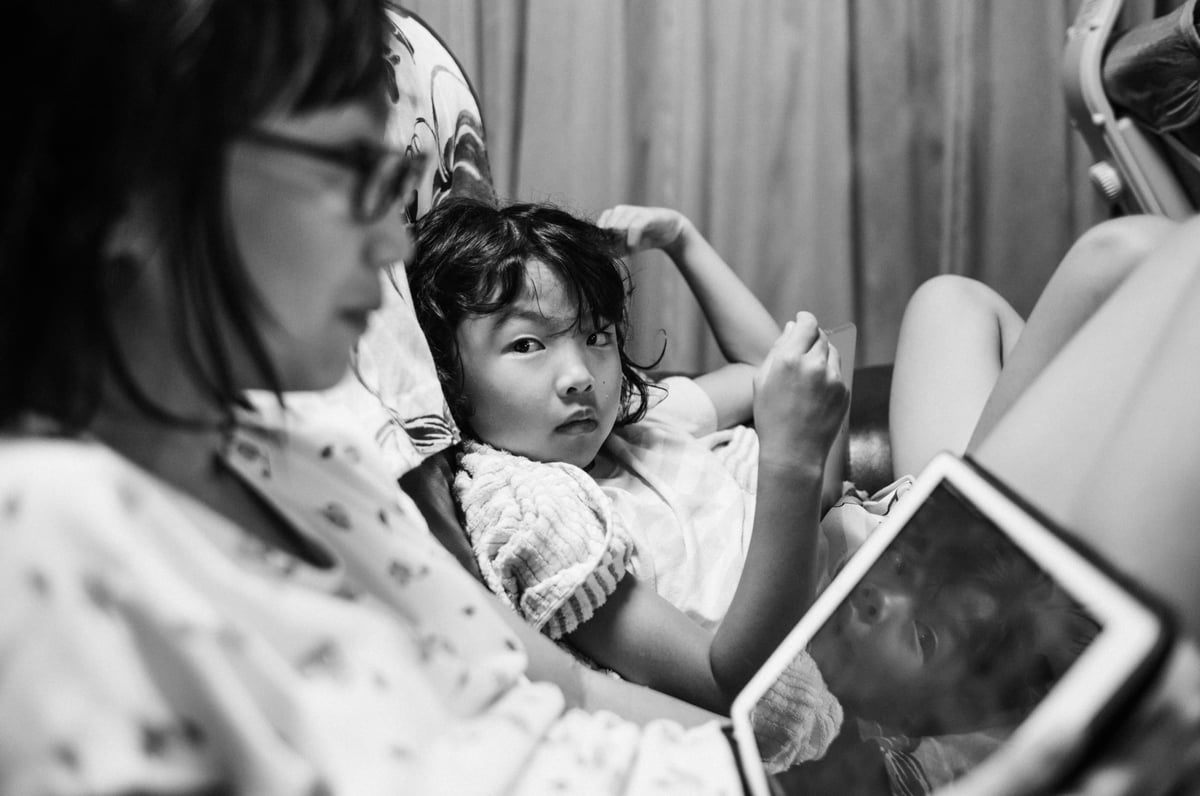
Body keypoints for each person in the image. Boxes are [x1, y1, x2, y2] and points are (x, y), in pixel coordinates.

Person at [0, 2, 765, 792]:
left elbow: (570, 696)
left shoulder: (308, 459)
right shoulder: (45, 530)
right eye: (345, 170)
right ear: (132, 186)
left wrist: (800, 768)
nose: (395, 240)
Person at [409, 198, 853, 766]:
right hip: (838, 661)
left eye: (596, 336)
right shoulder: (534, 513)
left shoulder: (628, 422)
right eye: (527, 344)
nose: (579, 378)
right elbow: (734, 686)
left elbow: (764, 370)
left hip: (852, 549)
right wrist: (793, 462)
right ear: (449, 374)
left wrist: (682, 240)